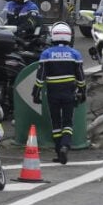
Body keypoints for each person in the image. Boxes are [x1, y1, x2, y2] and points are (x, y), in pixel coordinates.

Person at [32, 23, 86, 165]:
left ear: (53, 36)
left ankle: (58, 151)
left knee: (56, 122)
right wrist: (82, 91)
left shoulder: (46, 54)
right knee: (67, 122)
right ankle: (65, 146)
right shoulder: (75, 54)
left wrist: (36, 93)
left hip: (53, 92)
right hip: (69, 92)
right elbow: (80, 77)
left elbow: (40, 77)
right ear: (68, 37)